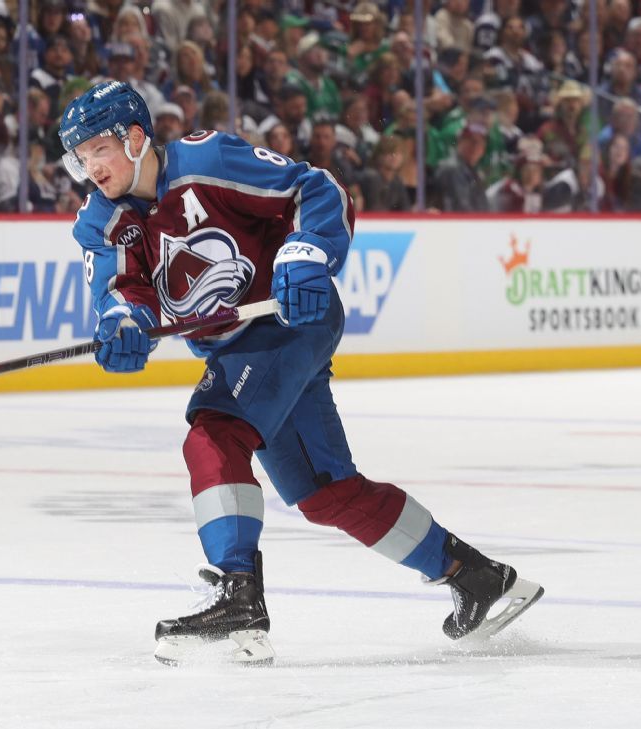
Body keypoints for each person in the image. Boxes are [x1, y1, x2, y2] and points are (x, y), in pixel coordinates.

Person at [58, 81, 543, 666]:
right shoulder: (100, 221)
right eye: (80, 158)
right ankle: (475, 576)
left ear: (136, 138)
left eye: (99, 150)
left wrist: (307, 248)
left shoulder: (207, 161)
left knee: (215, 432)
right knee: (324, 492)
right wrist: (123, 325)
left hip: (290, 320)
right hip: (239, 349)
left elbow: (315, 188)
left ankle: (237, 592)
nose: (91, 168)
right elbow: (119, 292)